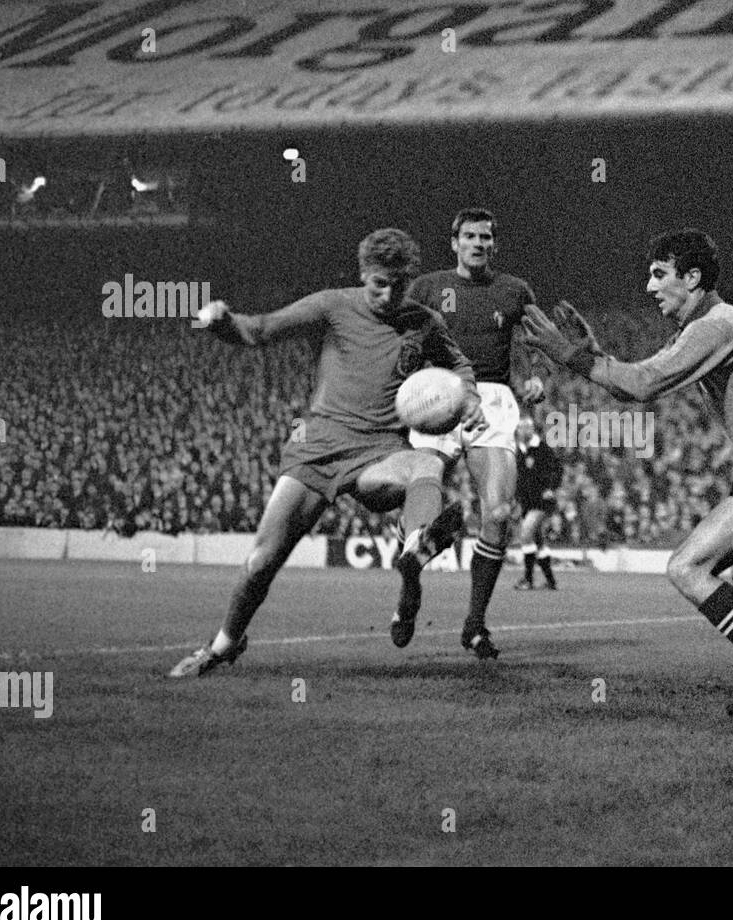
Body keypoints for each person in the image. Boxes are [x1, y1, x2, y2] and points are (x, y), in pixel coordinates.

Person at [522, 229, 733, 718]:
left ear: (691, 278)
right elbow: (630, 387)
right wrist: (594, 354)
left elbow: (643, 384)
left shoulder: (717, 324)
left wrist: (568, 355)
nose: (649, 287)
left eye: (659, 274)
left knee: (687, 567)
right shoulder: (704, 328)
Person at [168, 228, 486, 678]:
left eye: (399, 284)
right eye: (379, 282)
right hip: (318, 449)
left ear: (410, 280)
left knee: (428, 461)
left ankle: (415, 545)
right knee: (261, 563)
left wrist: (469, 398)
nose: (389, 293)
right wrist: (222, 322)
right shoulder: (333, 305)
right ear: (363, 275)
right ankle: (223, 645)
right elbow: (259, 330)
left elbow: (459, 366)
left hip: (380, 451)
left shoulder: (425, 321)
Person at [402, 208, 543, 658]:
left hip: (494, 398)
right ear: (454, 242)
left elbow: (535, 340)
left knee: (499, 512)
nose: (478, 243)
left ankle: (475, 625)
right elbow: (400, 339)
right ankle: (414, 562)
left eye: (486, 237)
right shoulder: (426, 287)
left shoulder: (514, 290)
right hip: (436, 392)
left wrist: (536, 374)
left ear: (494, 244)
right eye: (469, 236)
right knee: (419, 485)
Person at [512, 415, 562, 591]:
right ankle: (551, 581)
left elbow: (558, 468)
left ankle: (528, 579)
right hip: (526, 502)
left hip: (540, 502)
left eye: (527, 427)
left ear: (532, 429)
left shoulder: (541, 448)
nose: (524, 430)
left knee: (526, 534)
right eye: (521, 427)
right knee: (538, 541)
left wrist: (551, 487)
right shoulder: (519, 450)